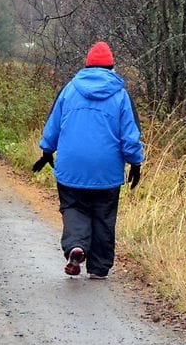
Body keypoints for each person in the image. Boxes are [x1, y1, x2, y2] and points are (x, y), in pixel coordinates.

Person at [32, 41, 144, 279]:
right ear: (112, 66)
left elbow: (53, 124)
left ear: (87, 65)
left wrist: (46, 150)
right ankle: (99, 268)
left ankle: (76, 246)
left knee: (73, 207)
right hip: (107, 171)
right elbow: (130, 136)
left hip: (71, 166)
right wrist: (135, 162)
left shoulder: (70, 89)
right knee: (103, 217)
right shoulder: (121, 96)